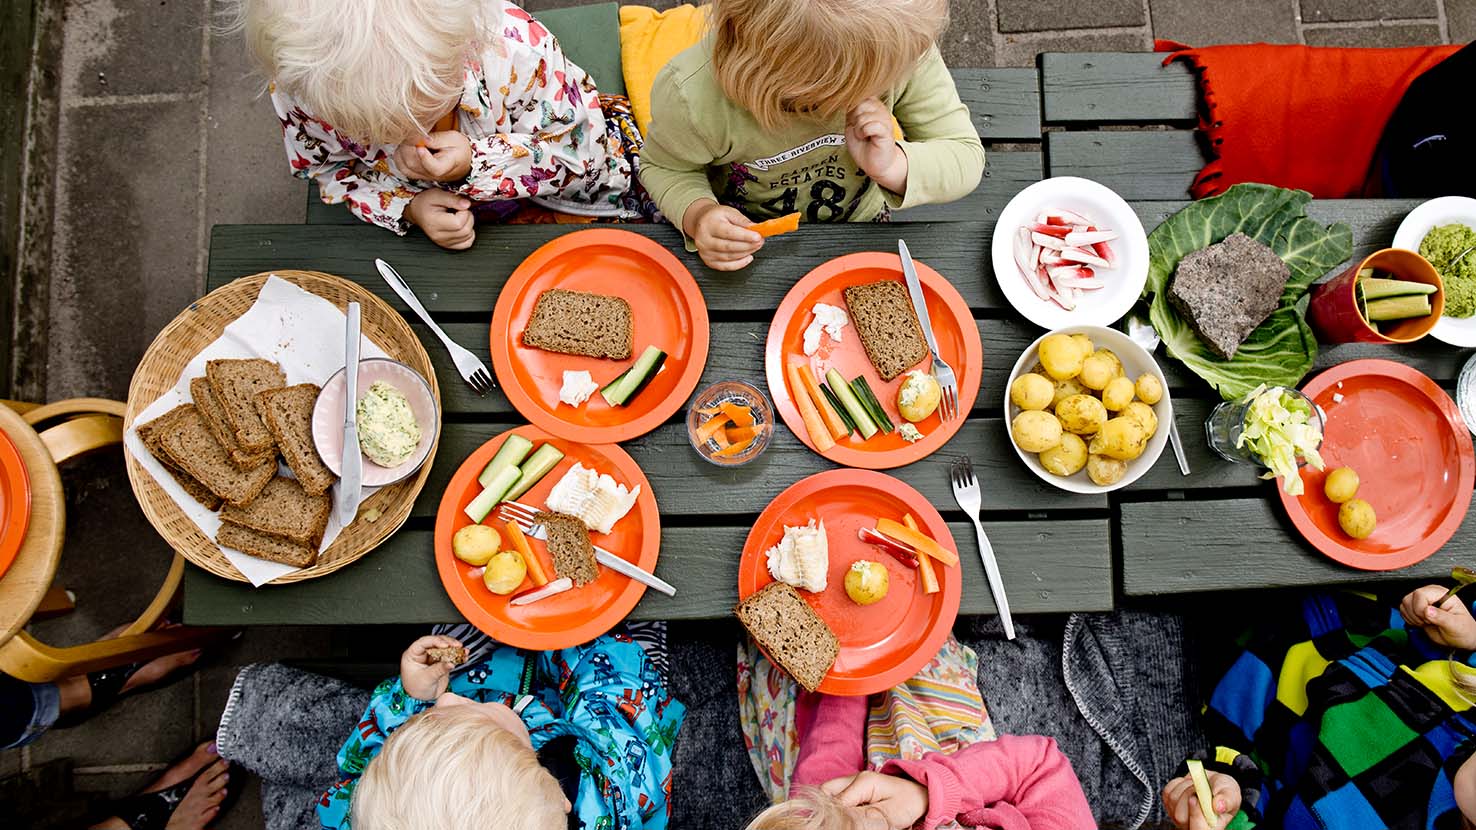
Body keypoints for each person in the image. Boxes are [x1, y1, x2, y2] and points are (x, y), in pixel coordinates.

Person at [233, 0, 643, 250]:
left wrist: (478, 164)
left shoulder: (516, 49)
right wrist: (406, 207)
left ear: (462, 50)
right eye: (380, 135)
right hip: (442, 234)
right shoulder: (305, 93)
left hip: (564, 200)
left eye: (429, 111)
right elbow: (324, 169)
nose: (415, 140)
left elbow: (582, 153)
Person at [640, 0, 985, 272]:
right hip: (746, 237)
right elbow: (663, 167)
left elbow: (965, 155)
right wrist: (699, 215)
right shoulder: (692, 97)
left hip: (859, 224)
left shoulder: (899, 48)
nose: (893, 82)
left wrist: (895, 165)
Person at [1161, 585, 1476, 829]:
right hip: (1336, 591)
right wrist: (1462, 632)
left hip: (1230, 668)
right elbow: (1429, 644)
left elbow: (1251, 804)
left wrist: (1227, 795)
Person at [316, 625, 684, 830]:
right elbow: (616, 693)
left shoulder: (373, 815)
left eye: (427, 720)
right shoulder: (619, 792)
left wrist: (411, 702)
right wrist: (559, 630)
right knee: (634, 634)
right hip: (599, 700)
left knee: (458, 636)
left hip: (494, 678)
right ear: (559, 797)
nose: (446, 701)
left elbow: (361, 766)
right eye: (466, 712)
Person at [738, 637, 1094, 829]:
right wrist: (929, 792)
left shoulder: (815, 818)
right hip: (963, 764)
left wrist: (846, 677)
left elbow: (824, 768)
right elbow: (1041, 765)